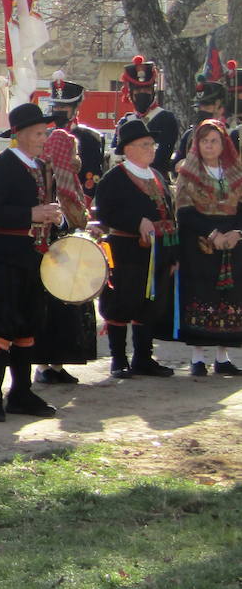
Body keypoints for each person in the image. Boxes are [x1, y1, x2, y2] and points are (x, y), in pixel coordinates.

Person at [0, 102, 63, 421]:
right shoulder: (0, 166)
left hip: (32, 257)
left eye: (45, 133)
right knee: (2, 326)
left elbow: (44, 210)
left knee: (28, 325)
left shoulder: (41, 167)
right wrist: (30, 214)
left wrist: (55, 217)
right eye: (38, 133)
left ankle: (21, 394)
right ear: (20, 134)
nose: (43, 139)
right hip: (0, 257)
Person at [96, 117, 179, 379]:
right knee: (122, 302)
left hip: (158, 252)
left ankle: (143, 357)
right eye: (145, 144)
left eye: (152, 144)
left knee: (150, 304)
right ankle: (118, 359)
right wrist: (136, 222)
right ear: (128, 148)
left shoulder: (157, 176)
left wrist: (173, 253)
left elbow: (170, 215)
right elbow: (106, 213)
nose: (152, 149)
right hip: (127, 251)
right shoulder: (115, 178)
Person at [36, 75, 99, 385]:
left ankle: (62, 359)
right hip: (54, 224)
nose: (60, 110)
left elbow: (91, 181)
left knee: (74, 290)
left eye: (65, 106)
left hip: (77, 219)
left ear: (76, 108)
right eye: (56, 105)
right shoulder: (44, 139)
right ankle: (48, 361)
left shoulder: (89, 139)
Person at [169, 119, 242, 376]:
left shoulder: (237, 172)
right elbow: (185, 212)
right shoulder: (188, 173)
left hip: (233, 243)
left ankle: (223, 357)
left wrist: (236, 233)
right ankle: (198, 358)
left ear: (224, 144)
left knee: (230, 296)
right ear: (196, 144)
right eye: (204, 141)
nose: (209, 146)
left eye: (214, 141)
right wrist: (213, 234)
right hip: (200, 243)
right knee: (201, 293)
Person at [113, 56, 179, 179]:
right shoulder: (125, 122)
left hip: (155, 180)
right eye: (138, 90)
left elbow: (161, 157)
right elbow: (116, 153)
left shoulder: (166, 119)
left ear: (153, 91)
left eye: (146, 89)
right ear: (130, 93)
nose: (142, 93)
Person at [173, 81, 228, 169]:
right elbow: (175, 165)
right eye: (199, 108)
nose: (202, 112)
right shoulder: (189, 135)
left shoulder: (232, 135)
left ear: (221, 109)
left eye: (207, 108)